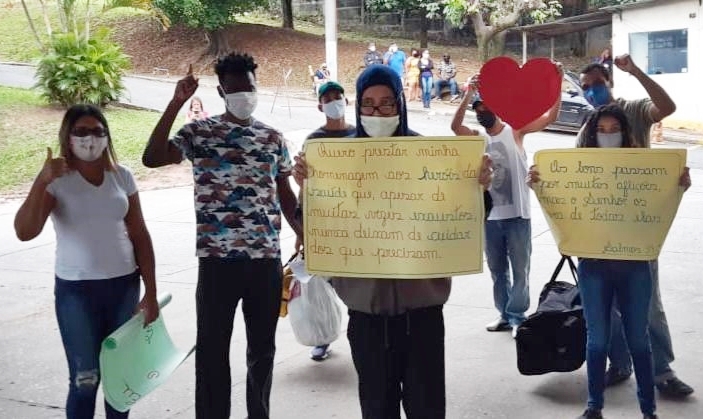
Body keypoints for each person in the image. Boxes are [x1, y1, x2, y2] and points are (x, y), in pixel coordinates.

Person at [292, 64, 492, 419]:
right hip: (366, 318)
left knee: (427, 407)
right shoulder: (335, 160)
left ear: (400, 103)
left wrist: (476, 187)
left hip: (423, 317)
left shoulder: (430, 157)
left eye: (386, 103)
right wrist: (307, 188)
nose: (377, 112)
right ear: (358, 108)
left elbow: (467, 217)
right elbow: (313, 226)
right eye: (368, 104)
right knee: (376, 407)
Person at [142, 56, 302, 419]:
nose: (244, 94)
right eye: (236, 88)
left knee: (262, 352)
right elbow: (152, 158)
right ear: (221, 91)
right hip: (217, 263)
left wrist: (301, 231)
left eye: (250, 87)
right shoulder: (199, 134)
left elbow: (285, 192)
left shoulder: (272, 139)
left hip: (264, 261)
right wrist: (175, 104)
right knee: (213, 351)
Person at [527, 104, 691, 419]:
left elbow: (660, 198)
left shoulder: (642, 167)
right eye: (601, 130)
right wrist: (538, 182)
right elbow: (561, 199)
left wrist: (678, 182)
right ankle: (594, 407)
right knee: (597, 340)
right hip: (593, 266)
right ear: (591, 134)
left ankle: (648, 410)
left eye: (614, 129)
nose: (608, 135)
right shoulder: (582, 169)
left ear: (626, 132)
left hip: (634, 267)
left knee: (639, 340)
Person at [14, 104, 160, 419]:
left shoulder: (122, 176)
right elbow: (24, 231)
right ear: (68, 137)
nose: (89, 139)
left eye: (97, 131)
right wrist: (41, 181)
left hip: (123, 286)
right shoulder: (57, 181)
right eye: (81, 132)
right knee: (85, 379)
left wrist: (151, 291)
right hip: (75, 292)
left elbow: (140, 234)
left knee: (119, 379)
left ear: (107, 136)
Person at [579, 55, 695, 398]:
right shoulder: (588, 126)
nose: (591, 92)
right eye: (585, 88)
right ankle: (621, 363)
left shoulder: (634, 110)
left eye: (597, 85)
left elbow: (666, 106)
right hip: (600, 230)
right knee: (606, 306)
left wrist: (635, 71)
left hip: (638, 227)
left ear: (610, 82)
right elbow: (572, 175)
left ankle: (662, 372)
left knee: (647, 305)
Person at [451, 70, 561, 335]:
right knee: (497, 270)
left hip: (517, 216)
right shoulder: (477, 137)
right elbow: (455, 127)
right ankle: (503, 314)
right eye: (479, 109)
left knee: (520, 269)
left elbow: (550, 118)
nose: (482, 112)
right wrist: (468, 94)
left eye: (487, 106)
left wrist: (555, 83)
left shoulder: (516, 131)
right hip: (490, 218)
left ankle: (517, 316)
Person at [297, 80, 357, 362]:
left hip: (357, 225)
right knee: (323, 285)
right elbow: (305, 189)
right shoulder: (314, 142)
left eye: (338, 96)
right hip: (324, 224)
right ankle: (323, 338)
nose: (333, 101)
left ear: (346, 101)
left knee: (356, 287)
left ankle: (360, 338)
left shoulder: (362, 136)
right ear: (319, 105)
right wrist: (301, 232)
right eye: (328, 98)